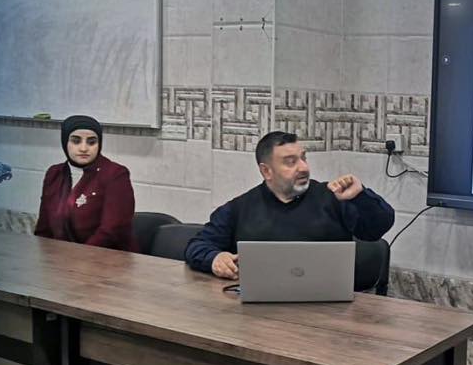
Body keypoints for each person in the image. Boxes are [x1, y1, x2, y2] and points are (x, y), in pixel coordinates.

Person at [185, 131, 395, 279]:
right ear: (266, 171)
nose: (303, 167)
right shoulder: (239, 208)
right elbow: (197, 246)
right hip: (258, 312)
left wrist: (361, 195)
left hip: (329, 309)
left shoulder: (333, 197)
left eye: (303, 158)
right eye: (290, 161)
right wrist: (215, 258)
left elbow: (378, 227)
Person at [34, 115, 138, 251]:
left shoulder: (115, 174)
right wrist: (43, 255)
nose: (83, 148)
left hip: (107, 258)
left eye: (91, 142)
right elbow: (44, 228)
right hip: (61, 257)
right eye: (76, 141)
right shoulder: (54, 174)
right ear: (65, 142)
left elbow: (111, 231)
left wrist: (79, 257)